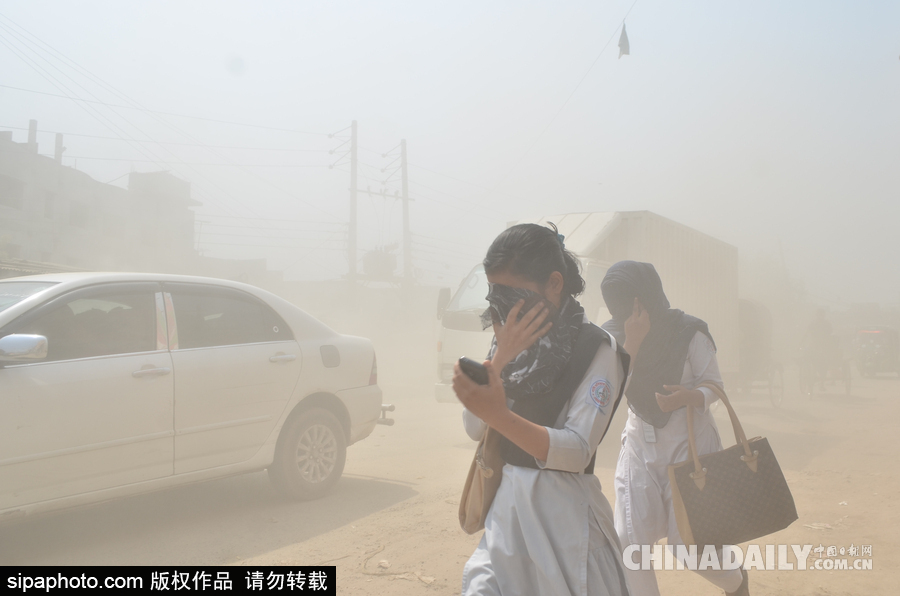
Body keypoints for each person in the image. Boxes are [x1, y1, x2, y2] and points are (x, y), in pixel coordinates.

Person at [453, 223, 632, 596]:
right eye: (496, 297)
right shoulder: (504, 344)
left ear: (554, 284)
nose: (505, 311)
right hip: (507, 516)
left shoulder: (598, 350)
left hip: (565, 523)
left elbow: (577, 450)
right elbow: (474, 428)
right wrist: (500, 359)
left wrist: (501, 415)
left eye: (514, 296)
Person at [600, 261, 749, 596]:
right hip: (640, 444)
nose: (627, 313)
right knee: (629, 543)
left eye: (632, 303)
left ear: (647, 298)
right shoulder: (613, 337)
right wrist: (633, 343)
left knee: (691, 549)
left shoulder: (689, 332)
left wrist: (689, 396)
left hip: (690, 443)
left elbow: (715, 385)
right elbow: (609, 390)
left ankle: (737, 582)